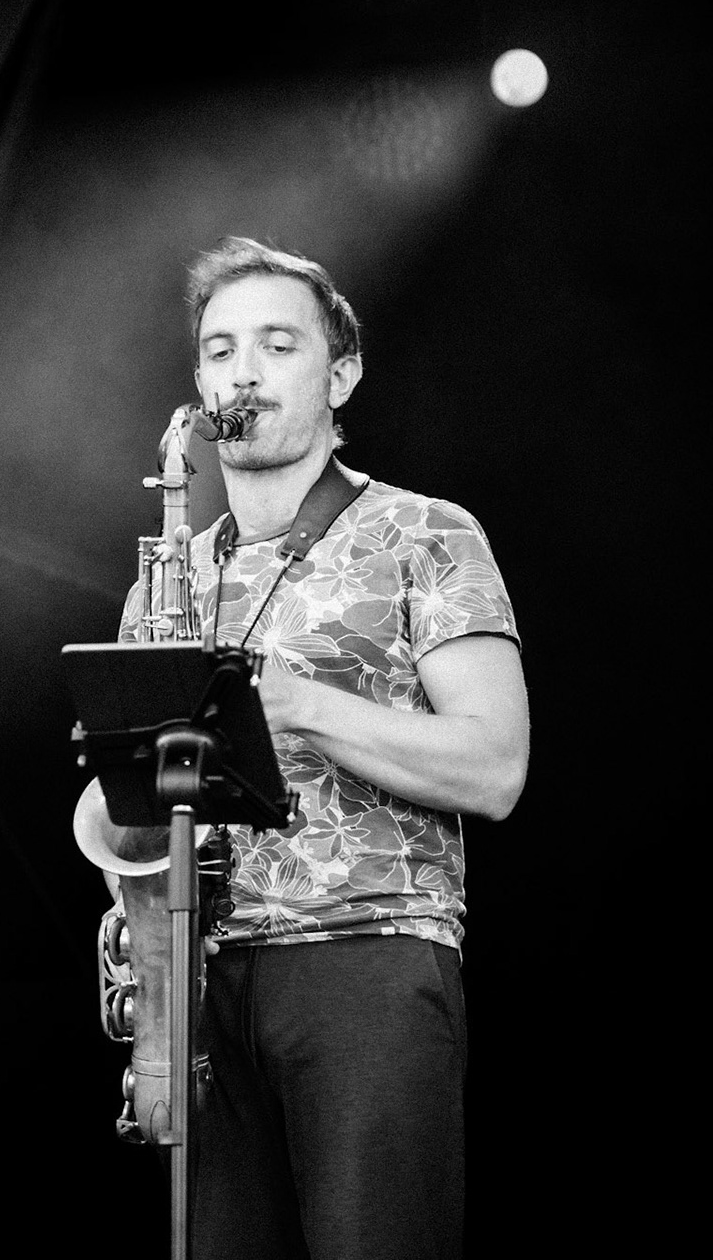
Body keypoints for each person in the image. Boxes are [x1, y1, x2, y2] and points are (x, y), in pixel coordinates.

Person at [74, 237, 529, 1260]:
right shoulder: (165, 580)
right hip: (197, 977)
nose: (243, 370)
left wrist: (299, 704)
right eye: (221, 349)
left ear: (342, 373)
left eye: (279, 345)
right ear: (198, 385)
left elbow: (496, 766)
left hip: (366, 962)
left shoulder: (429, 532)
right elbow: (125, 803)